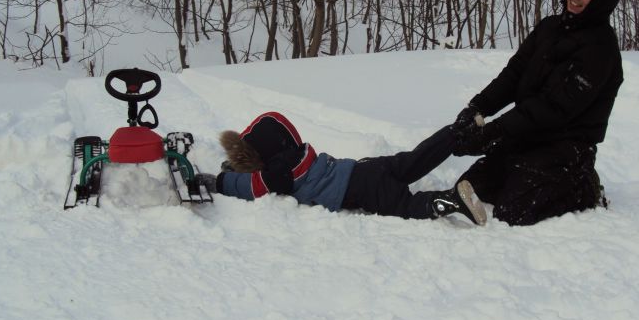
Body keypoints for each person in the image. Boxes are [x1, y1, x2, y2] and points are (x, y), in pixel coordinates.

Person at [450, 0, 627, 226]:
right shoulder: (549, 28)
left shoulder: (600, 49)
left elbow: (554, 108)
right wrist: (477, 108)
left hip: (566, 146)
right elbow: (513, 75)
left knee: (513, 210)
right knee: (472, 186)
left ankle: (583, 186)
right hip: (527, 135)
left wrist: (492, 132)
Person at [196, 111, 487, 226]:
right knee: (413, 160)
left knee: (406, 206)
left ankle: (452, 200)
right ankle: (456, 132)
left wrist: (220, 182)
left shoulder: (280, 174)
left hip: (362, 189)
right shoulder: (301, 154)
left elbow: (256, 186)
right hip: (365, 168)